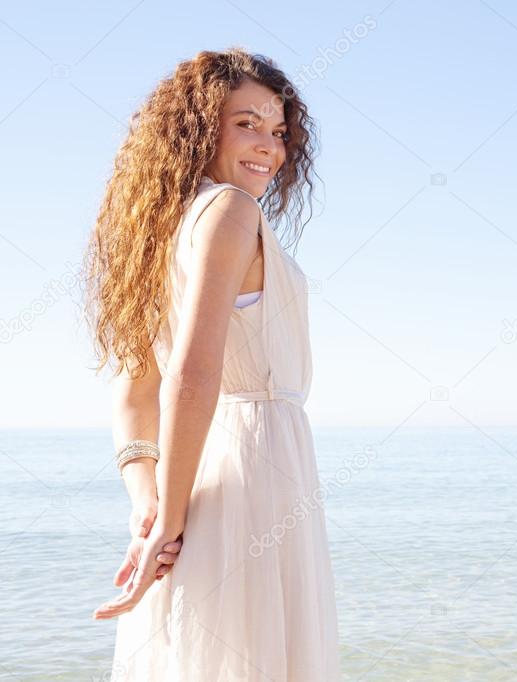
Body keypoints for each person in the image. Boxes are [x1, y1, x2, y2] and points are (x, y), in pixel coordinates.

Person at [82, 47, 340, 680]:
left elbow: (131, 391)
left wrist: (151, 506)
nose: (269, 147)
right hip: (252, 465)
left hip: (192, 470)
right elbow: (189, 376)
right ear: (199, 126)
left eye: (279, 131)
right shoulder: (229, 210)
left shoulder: (160, 226)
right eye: (246, 123)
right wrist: (164, 521)